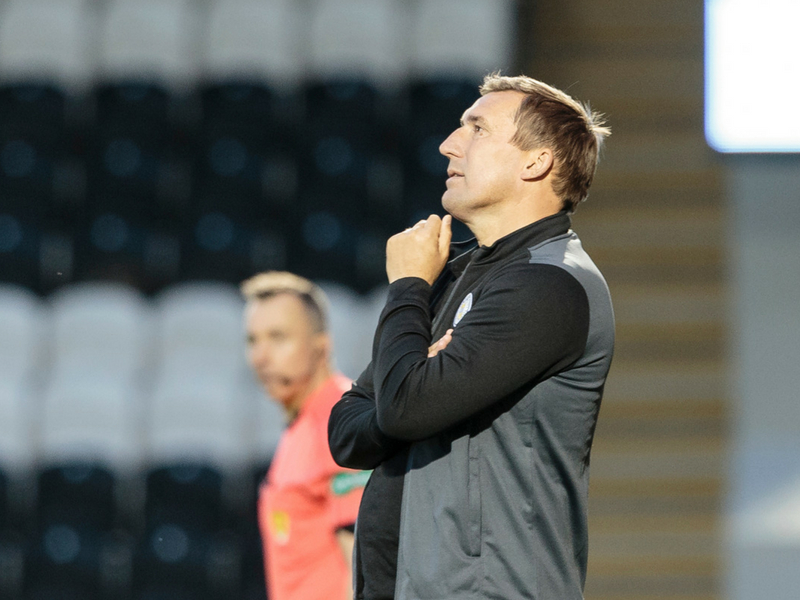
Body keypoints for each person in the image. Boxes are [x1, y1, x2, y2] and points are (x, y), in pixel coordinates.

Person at [328, 73, 615, 600]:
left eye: (477, 128)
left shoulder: (549, 285)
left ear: (536, 162)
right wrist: (412, 386)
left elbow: (402, 408)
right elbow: (347, 431)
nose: (448, 144)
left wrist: (408, 287)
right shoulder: (454, 274)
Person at [243, 271, 369, 600]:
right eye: (253, 340)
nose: (260, 356)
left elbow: (364, 567)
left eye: (278, 337)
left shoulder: (337, 421)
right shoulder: (303, 422)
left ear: (321, 346)